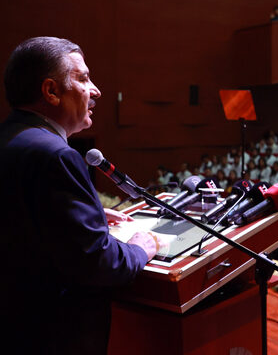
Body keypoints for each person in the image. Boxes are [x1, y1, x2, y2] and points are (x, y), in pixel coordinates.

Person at [0, 37, 159, 354]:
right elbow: (98, 262)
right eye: (84, 78)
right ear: (51, 92)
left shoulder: (11, 138)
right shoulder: (57, 155)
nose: (96, 90)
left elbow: (26, 221)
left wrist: (93, 216)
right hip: (52, 334)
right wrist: (141, 249)